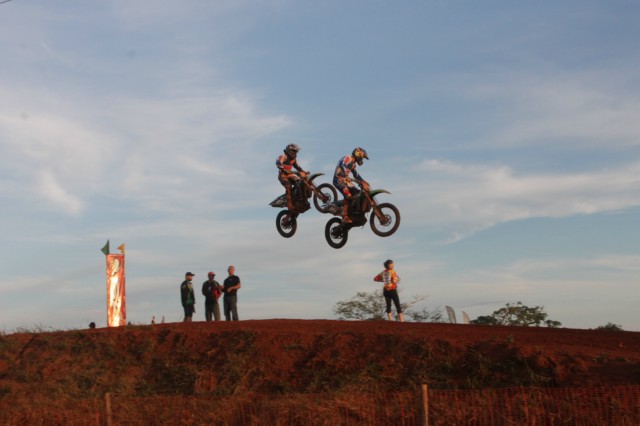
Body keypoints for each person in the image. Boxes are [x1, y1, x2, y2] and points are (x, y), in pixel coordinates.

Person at [333, 147, 369, 223]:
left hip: (346, 181)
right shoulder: (348, 158)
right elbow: (343, 166)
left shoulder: (353, 164)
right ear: (358, 154)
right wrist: (346, 176)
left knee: (357, 193)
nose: (362, 159)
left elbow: (356, 175)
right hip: (338, 179)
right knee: (348, 195)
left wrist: (363, 181)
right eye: (362, 157)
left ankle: (352, 213)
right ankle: (345, 216)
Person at [276, 143, 307, 210]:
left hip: (290, 174)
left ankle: (300, 198)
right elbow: (278, 162)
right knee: (289, 186)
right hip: (283, 175)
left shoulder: (293, 160)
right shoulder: (284, 156)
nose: (295, 153)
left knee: (299, 181)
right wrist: (282, 168)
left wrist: (304, 172)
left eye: (296, 152)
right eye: (294, 151)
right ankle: (290, 205)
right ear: (289, 151)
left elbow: (298, 167)